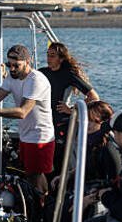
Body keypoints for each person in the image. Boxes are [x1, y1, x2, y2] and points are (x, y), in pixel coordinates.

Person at [0, 44, 55, 198]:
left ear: (28, 62)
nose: (13, 69)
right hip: (25, 134)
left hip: (40, 136)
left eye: (17, 65)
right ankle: (34, 200)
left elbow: (22, 112)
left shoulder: (36, 80)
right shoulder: (11, 78)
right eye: (10, 65)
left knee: (36, 175)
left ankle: (44, 203)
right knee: (29, 173)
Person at [39, 42, 99, 175]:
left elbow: (94, 97)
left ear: (61, 59)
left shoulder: (68, 74)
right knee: (46, 159)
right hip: (44, 121)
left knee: (59, 160)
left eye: (52, 56)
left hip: (61, 123)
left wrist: (72, 110)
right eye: (47, 55)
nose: (48, 58)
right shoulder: (42, 73)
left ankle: (61, 183)